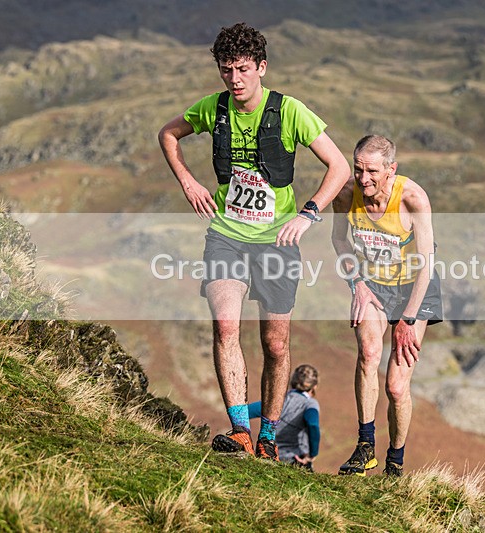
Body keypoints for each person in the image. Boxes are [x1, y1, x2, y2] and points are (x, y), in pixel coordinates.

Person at [158, 23, 349, 460]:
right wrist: (188, 182)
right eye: (226, 71)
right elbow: (168, 134)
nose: (235, 79)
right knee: (225, 327)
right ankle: (241, 431)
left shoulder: (290, 111)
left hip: (277, 243)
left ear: (262, 67)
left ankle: (269, 437)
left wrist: (308, 213)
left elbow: (338, 167)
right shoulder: (214, 108)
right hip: (226, 235)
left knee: (275, 344)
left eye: (243, 69)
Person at [331, 135, 442, 477]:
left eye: (372, 171)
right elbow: (338, 239)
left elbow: (427, 264)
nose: (364, 179)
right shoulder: (347, 194)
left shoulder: (412, 199)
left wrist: (408, 320)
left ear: (391, 170)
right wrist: (357, 284)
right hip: (373, 284)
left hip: (415, 289)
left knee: (396, 385)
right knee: (367, 351)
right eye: (358, 169)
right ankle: (365, 447)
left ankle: (395, 461)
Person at [247, 364, 321, 470]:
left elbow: (247, 411)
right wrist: (312, 454)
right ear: (314, 386)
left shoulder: (277, 401)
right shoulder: (310, 404)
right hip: (296, 460)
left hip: (269, 456)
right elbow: (313, 424)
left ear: (292, 382)